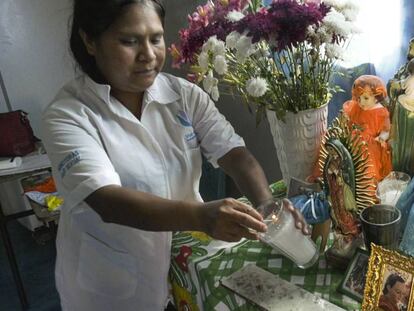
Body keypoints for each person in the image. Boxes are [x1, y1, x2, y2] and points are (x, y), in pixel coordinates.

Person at [40, 1, 308, 310]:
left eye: (155, 38)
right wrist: (201, 216)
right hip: (112, 287)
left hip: (181, 266)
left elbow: (235, 154)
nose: (149, 55)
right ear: (90, 40)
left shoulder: (183, 94)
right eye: (129, 41)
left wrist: (266, 203)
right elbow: (107, 201)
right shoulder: (68, 115)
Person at [343, 75, 392, 182]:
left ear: (376, 97)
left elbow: (386, 130)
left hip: (370, 144)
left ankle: (366, 183)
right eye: (358, 98)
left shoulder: (381, 112)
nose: (361, 102)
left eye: (366, 98)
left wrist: (382, 137)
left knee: (368, 165)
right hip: (354, 139)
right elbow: (351, 120)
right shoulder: (357, 107)